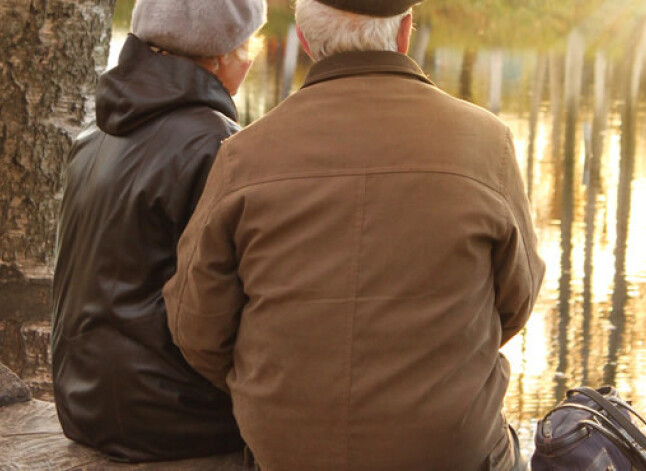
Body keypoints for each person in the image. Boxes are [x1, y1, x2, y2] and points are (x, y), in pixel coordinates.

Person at [163, 0, 545, 469]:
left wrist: (277, 390)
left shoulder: (242, 155)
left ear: (305, 43)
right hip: (450, 453)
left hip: (290, 454)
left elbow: (195, 325)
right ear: (405, 32)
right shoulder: (487, 143)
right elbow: (516, 301)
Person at [51, 0, 266, 462]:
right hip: (173, 416)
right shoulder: (218, 146)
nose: (250, 64)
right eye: (250, 49)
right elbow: (228, 305)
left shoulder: (94, 136)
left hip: (81, 399)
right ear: (221, 58)